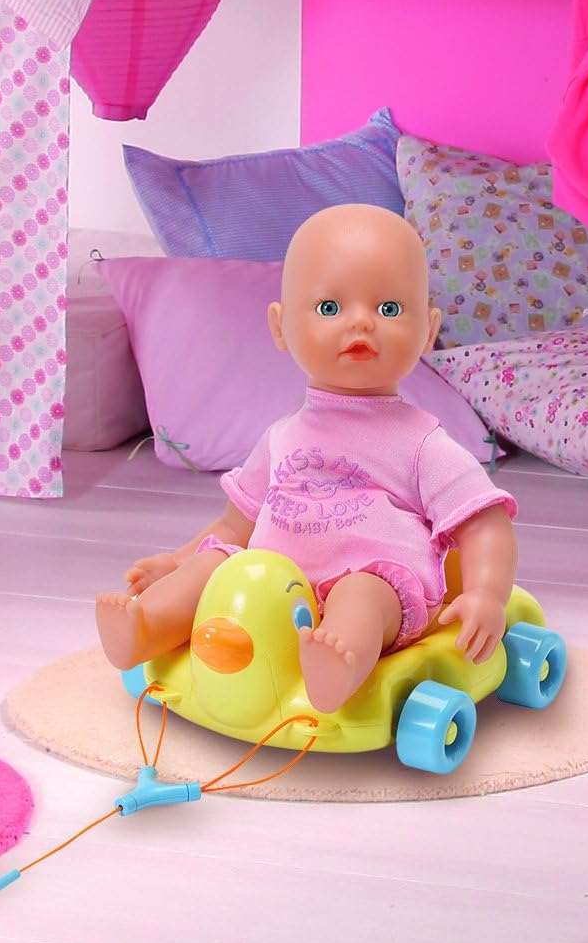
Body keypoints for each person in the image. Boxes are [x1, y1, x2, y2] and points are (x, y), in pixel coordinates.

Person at [96, 203, 518, 714]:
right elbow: (234, 525)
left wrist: (487, 594)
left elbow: (484, 522)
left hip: (372, 583)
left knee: (362, 595)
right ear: (281, 327)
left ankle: (340, 664)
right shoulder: (282, 436)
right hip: (274, 589)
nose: (360, 322)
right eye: (329, 307)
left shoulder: (423, 442)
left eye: (389, 309)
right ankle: (145, 626)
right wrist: (176, 561)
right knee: (217, 563)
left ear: (428, 331)